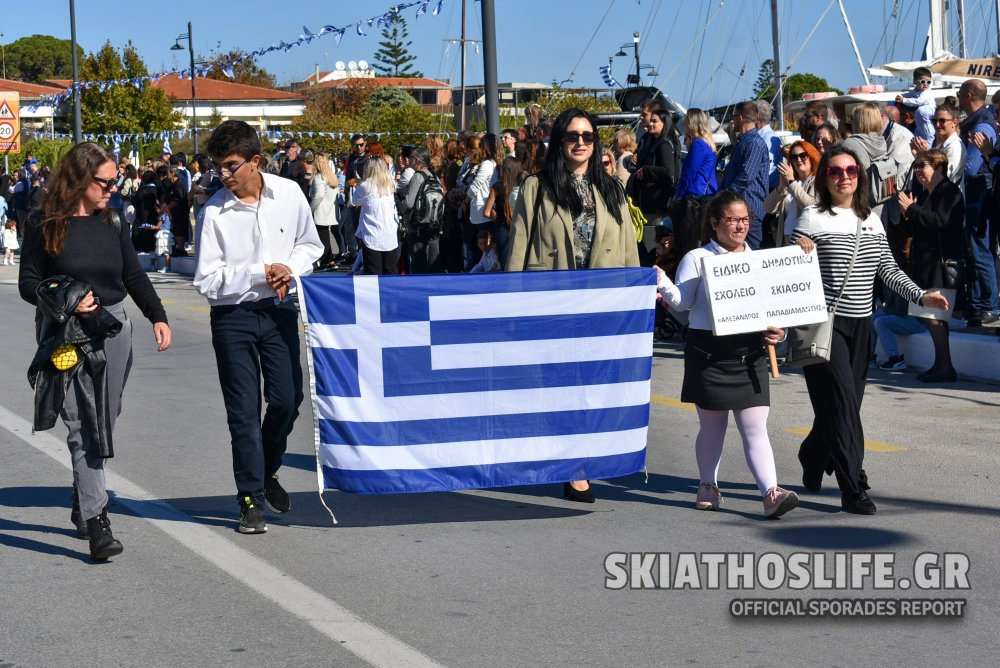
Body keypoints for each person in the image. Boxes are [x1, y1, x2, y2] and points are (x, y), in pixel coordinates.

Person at [18, 142, 172, 559]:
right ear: (81, 179)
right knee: (80, 423)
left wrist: (157, 315)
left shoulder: (114, 220)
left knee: (105, 416)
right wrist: (65, 296)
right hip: (63, 335)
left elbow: (132, 273)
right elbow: (28, 283)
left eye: (114, 180)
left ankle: (83, 493)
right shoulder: (43, 222)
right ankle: (98, 520)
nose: (112, 188)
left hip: (113, 328)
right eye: (105, 182)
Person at [790, 146, 949, 514]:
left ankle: (813, 453)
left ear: (859, 176)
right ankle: (854, 487)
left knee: (845, 405)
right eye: (835, 171)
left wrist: (921, 297)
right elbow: (787, 272)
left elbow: (887, 270)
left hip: (861, 327)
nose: (844, 176)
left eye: (851, 170)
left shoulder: (871, 220)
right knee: (844, 405)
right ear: (824, 177)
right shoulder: (811, 217)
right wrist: (798, 249)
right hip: (824, 325)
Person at [193, 121, 323, 534]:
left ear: (256, 161)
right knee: (244, 412)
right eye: (219, 168)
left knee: (287, 400)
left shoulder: (289, 193)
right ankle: (249, 494)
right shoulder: (213, 211)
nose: (224, 175)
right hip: (233, 318)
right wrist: (258, 273)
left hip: (281, 311)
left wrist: (289, 268)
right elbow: (207, 281)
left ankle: (267, 470)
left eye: (231, 166)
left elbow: (311, 244)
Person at [507, 107, 639, 503]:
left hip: (602, 305)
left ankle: (578, 458)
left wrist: (635, 300)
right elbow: (517, 247)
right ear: (559, 142)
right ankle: (575, 468)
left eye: (587, 136)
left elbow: (629, 249)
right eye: (572, 136)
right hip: (553, 305)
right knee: (562, 387)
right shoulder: (536, 186)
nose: (580, 142)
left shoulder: (613, 188)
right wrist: (513, 305)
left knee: (593, 387)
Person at [655, 191, 798, 517]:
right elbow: (681, 303)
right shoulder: (696, 258)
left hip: (749, 353)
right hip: (709, 352)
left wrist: (781, 330)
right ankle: (708, 485)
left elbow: (773, 309)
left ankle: (771, 493)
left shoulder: (758, 258)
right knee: (712, 427)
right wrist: (662, 282)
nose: (740, 226)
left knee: (755, 427)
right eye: (732, 219)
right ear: (715, 222)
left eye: (745, 219)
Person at [897, 149, 965, 382]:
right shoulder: (928, 194)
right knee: (930, 316)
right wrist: (909, 214)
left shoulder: (949, 191)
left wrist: (913, 210)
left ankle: (944, 366)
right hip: (926, 265)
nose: (917, 171)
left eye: (922, 166)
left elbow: (941, 222)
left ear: (938, 168)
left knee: (935, 317)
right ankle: (942, 364)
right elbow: (919, 228)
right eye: (915, 167)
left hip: (941, 265)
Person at [957, 79, 999, 326]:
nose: (958, 97)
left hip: (978, 194)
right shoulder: (979, 121)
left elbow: (972, 167)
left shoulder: (981, 124)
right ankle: (979, 304)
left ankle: (989, 305)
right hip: (978, 192)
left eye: (960, 93)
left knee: (979, 248)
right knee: (975, 250)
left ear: (969, 94)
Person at [721, 101, 769, 249]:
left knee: (752, 255)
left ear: (740, 118)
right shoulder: (745, 142)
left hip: (750, 210)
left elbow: (746, 176)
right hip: (740, 208)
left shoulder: (754, 143)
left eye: (733, 116)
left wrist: (725, 196)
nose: (732, 120)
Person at [764, 140, 819, 246]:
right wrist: (781, 186)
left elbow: (811, 207)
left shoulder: (817, 181)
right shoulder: (792, 183)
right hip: (786, 239)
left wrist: (790, 182)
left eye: (802, 156)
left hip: (806, 242)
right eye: (794, 157)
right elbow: (768, 208)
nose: (798, 160)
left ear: (811, 157)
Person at [354, 151, 400, 275]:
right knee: (390, 271)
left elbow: (355, 201)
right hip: (389, 232)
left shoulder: (365, 186)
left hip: (372, 232)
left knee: (374, 272)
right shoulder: (391, 184)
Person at [630, 108, 679, 225]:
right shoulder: (655, 142)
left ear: (664, 123)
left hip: (658, 203)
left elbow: (668, 171)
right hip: (652, 201)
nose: (651, 124)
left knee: (654, 238)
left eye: (655, 121)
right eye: (650, 121)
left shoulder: (664, 144)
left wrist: (645, 170)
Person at [310, 153, 341, 270]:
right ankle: (329, 260)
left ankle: (327, 260)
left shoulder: (319, 177)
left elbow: (319, 195)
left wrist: (310, 209)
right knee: (325, 236)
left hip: (320, 211)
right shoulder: (331, 176)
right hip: (330, 211)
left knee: (323, 237)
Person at [895, 67, 936, 142]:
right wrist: (901, 96)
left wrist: (903, 100)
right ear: (915, 82)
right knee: (919, 126)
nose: (926, 84)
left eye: (929, 82)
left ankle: (930, 138)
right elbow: (909, 94)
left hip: (929, 110)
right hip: (920, 115)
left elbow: (918, 101)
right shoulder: (916, 90)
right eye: (923, 81)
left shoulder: (926, 92)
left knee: (922, 113)